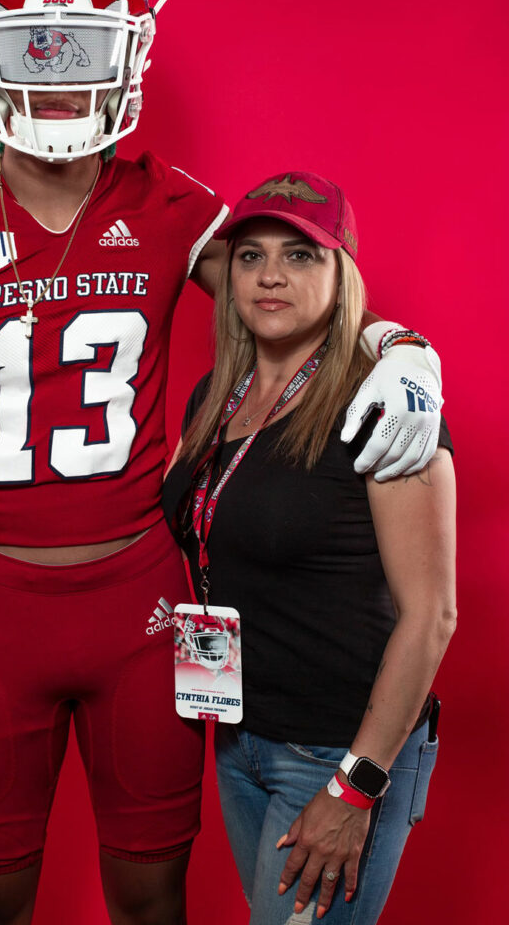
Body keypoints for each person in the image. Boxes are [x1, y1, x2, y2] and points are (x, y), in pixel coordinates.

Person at [0, 0, 446, 925]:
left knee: (150, 896)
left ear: (128, 50)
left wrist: (402, 347)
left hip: (141, 606)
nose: (54, 79)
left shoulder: (172, 208)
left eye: (80, 48)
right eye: (31, 48)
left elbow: (298, 297)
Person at [163, 171, 456, 924]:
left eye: (301, 256)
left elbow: (432, 617)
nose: (269, 275)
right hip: (238, 738)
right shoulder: (215, 398)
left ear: (342, 271)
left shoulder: (386, 404)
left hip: (336, 750)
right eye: (251, 255)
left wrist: (355, 785)